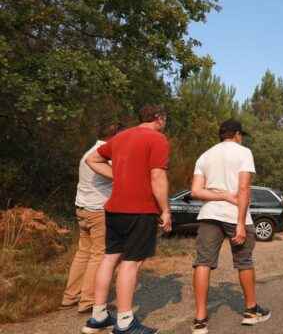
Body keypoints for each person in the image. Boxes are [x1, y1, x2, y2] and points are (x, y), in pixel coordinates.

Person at [81, 105, 171, 334]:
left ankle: (98, 316)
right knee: (131, 263)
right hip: (140, 210)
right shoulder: (157, 139)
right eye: (165, 118)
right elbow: (158, 176)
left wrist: (119, 176)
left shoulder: (121, 138)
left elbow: (92, 159)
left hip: (114, 208)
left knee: (110, 258)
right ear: (159, 119)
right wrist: (165, 210)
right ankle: (124, 322)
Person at [189, 119, 271, 334]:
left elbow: (196, 191)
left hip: (208, 214)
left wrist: (219, 195)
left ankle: (199, 320)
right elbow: (243, 188)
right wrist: (241, 224)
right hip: (235, 214)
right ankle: (251, 311)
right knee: (244, 262)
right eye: (240, 134)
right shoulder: (244, 153)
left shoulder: (205, 155)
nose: (241, 138)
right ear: (236, 134)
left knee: (202, 263)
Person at [61, 123, 123, 313]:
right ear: (113, 137)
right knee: (99, 255)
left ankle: (70, 296)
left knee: (83, 253)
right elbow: (122, 176)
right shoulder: (104, 156)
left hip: (82, 209)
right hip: (98, 211)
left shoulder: (89, 152)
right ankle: (88, 301)